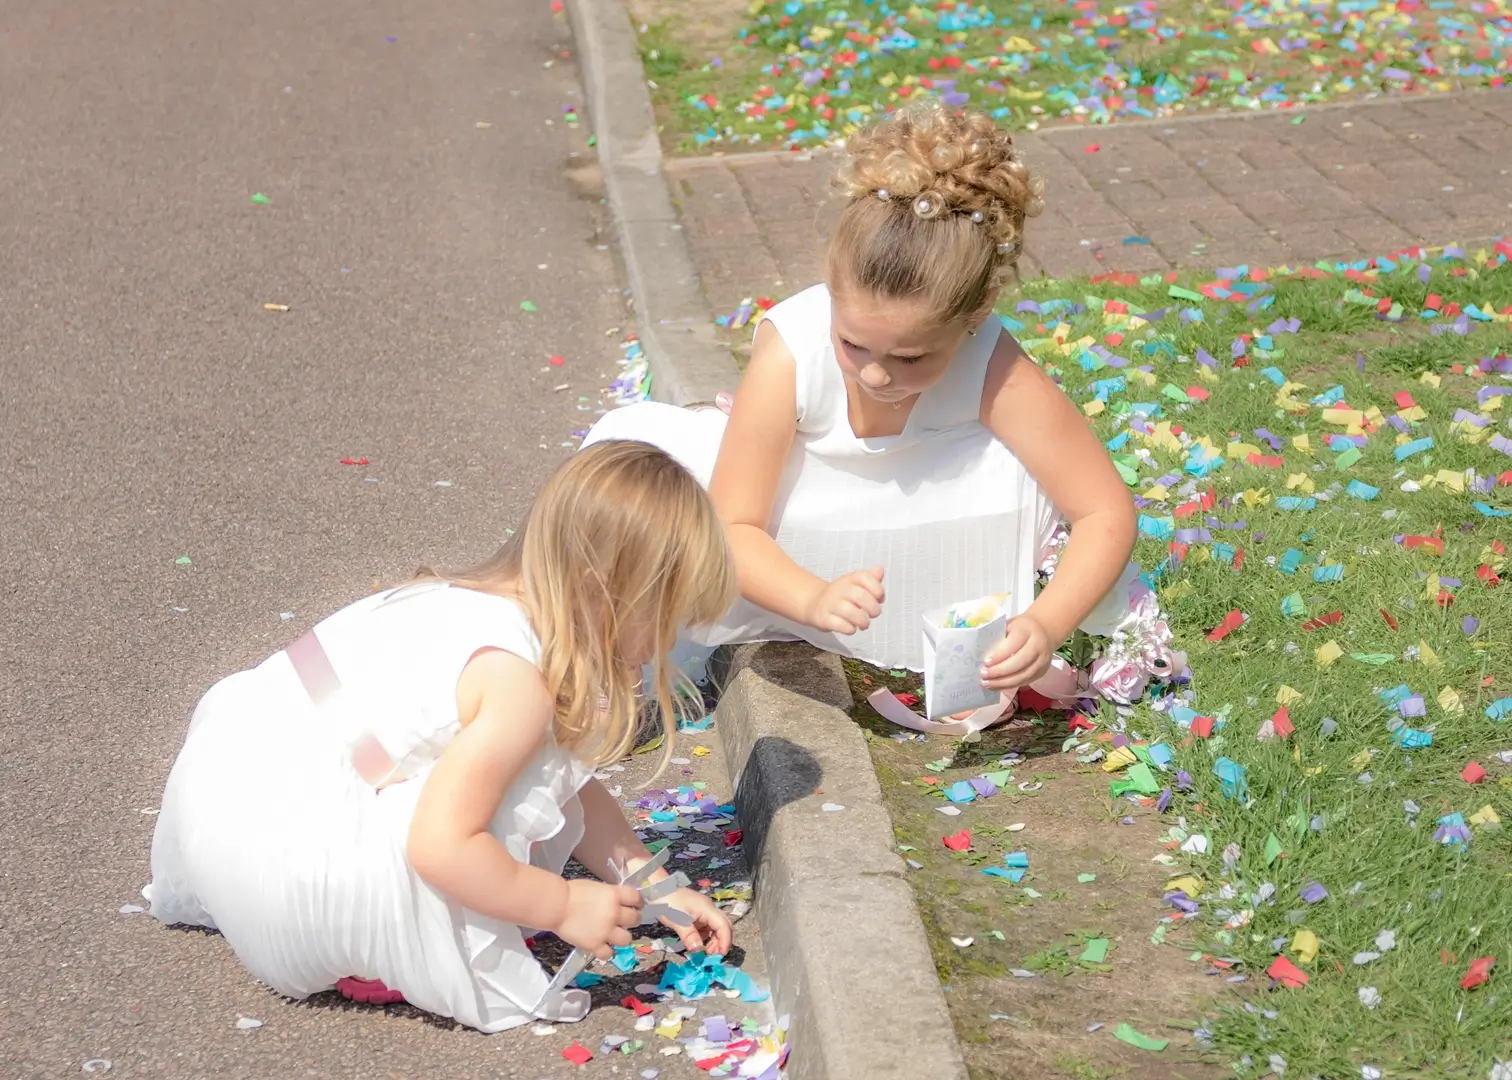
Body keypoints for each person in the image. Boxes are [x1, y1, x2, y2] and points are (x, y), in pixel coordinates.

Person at [143, 442, 738, 1033]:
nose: (669, 641)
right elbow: (439, 845)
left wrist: (652, 884)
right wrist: (560, 904)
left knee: (501, 791)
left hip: (225, 798)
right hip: (287, 878)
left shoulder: (462, 601)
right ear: (598, 593)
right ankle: (373, 947)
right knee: (475, 842)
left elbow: (567, 789)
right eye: (666, 617)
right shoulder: (516, 684)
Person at [584, 102, 1138, 702]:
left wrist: (1046, 623)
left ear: (974, 316)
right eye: (852, 344)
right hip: (780, 535)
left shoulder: (992, 362)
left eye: (912, 358)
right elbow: (731, 525)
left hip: (911, 532)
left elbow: (1103, 509)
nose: (876, 374)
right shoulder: (793, 350)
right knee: (632, 495)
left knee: (1025, 478)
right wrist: (811, 598)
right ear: (831, 293)